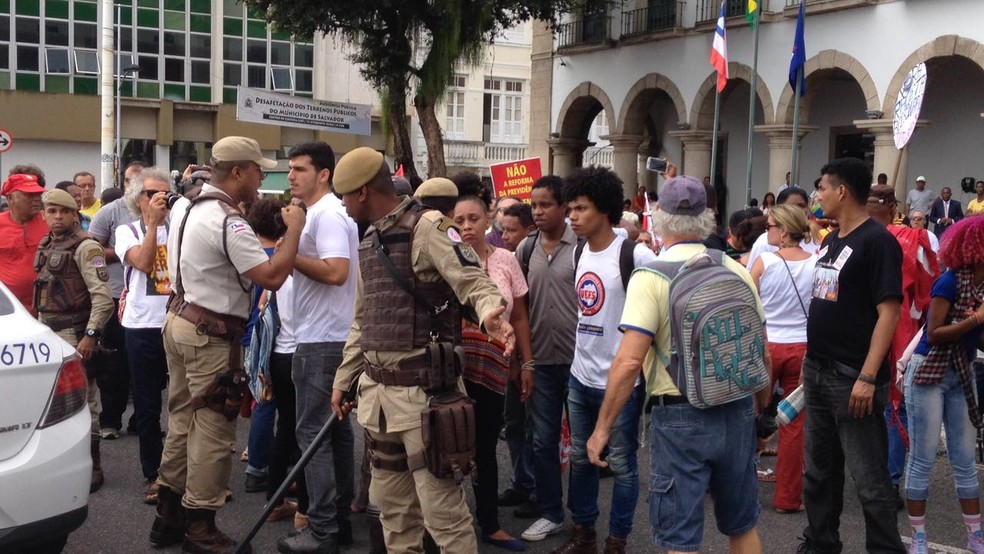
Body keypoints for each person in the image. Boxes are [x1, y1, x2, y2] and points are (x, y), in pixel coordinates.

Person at [329, 147, 515, 554]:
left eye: (344, 196)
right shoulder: (371, 239)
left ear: (362, 192)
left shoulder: (429, 226)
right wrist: (344, 380)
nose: (342, 205)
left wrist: (492, 315)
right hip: (377, 399)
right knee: (395, 517)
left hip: (425, 398)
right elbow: (363, 320)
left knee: (444, 517)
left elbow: (473, 280)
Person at [586, 175, 767, 553]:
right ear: (708, 217)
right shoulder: (734, 269)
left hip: (680, 415)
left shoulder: (651, 276)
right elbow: (760, 349)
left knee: (680, 536)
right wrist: (761, 412)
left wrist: (602, 428)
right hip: (735, 408)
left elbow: (630, 360)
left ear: (657, 216)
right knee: (742, 525)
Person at [150, 136, 304, 554]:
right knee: (214, 430)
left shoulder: (188, 206)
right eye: (258, 169)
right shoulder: (227, 220)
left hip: (181, 321)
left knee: (182, 419)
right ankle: (200, 525)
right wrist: (294, 230)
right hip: (210, 335)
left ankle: (168, 515)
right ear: (237, 172)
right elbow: (270, 276)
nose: (262, 177)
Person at [800, 158, 905, 554]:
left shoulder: (878, 241)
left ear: (842, 191)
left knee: (870, 480)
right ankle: (820, 542)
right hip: (817, 370)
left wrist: (867, 375)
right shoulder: (830, 240)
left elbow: (889, 312)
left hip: (851, 377)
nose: (818, 196)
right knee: (819, 474)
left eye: (823, 188)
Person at [559, 166, 656, 553]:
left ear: (603, 210)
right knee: (580, 460)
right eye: (571, 209)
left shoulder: (636, 254)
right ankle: (584, 534)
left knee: (623, 465)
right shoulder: (578, 251)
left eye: (580, 209)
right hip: (580, 377)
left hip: (622, 383)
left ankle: (618, 540)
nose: (572, 217)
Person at [278, 141, 358, 554]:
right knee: (335, 435)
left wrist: (288, 252)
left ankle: (324, 529)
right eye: (290, 169)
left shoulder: (326, 214)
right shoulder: (325, 213)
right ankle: (337, 523)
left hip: (322, 339)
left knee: (314, 435)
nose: (291, 175)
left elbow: (337, 272)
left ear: (323, 173)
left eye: (299, 169)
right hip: (330, 336)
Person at [453, 192, 534, 551]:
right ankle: (450, 526)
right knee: (449, 444)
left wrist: (525, 363)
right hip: (453, 369)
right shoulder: (446, 260)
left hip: (495, 368)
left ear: (488, 219)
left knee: (485, 446)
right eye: (459, 221)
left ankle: (489, 524)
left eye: (473, 218)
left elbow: (518, 316)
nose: (467, 226)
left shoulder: (505, 260)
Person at [901, 216, 984, 554]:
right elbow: (933, 334)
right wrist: (977, 318)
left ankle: (975, 537)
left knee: (964, 459)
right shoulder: (949, 282)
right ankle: (919, 538)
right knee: (922, 458)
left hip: (961, 370)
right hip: (929, 373)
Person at [34, 188, 114, 492]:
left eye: (63, 212)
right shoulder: (46, 244)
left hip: (74, 332)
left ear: (74, 214)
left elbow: (103, 298)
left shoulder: (86, 247)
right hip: (47, 329)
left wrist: (91, 334)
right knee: (50, 400)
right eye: (51, 211)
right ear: (43, 214)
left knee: (84, 401)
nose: (57, 217)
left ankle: (93, 467)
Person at [867, 184, 940, 510]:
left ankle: (892, 479)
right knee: (885, 406)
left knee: (892, 406)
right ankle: (886, 476)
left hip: (896, 331)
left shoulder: (912, 239)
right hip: (876, 329)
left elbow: (926, 291)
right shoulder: (863, 236)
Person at [518, 175, 580, 542]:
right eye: (534, 204)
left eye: (545, 205)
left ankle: (583, 517)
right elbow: (519, 306)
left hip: (579, 363)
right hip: (540, 360)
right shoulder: (526, 250)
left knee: (586, 445)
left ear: (563, 207)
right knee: (542, 441)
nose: (538, 212)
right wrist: (523, 361)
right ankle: (551, 512)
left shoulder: (583, 247)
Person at [749, 204, 817, 514]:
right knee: (793, 425)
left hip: (766, 346)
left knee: (748, 417)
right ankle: (788, 498)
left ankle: (740, 491)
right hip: (802, 347)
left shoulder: (764, 263)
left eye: (772, 224)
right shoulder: (817, 264)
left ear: (785, 231)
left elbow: (746, 306)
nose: (768, 230)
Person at [116, 167, 174, 504]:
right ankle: (154, 472)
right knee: (149, 404)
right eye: (152, 193)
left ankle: (187, 471)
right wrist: (153, 224)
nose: (160, 199)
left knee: (186, 403)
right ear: (138, 200)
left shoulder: (181, 227)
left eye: (165, 193)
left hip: (178, 324)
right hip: (142, 326)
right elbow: (143, 261)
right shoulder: (128, 231)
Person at [88, 160, 147, 440]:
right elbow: (91, 251)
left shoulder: (159, 211)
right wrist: (123, 252)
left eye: (139, 180)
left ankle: (141, 420)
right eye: (129, 180)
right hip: (114, 294)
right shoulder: (109, 212)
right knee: (114, 363)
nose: (134, 186)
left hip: (149, 299)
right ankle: (110, 421)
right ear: (123, 183)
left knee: (147, 367)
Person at [0, 172, 49, 313]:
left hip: (46, 308)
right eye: (29, 195)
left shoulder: (49, 222)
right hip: (8, 310)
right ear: (10, 198)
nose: (36, 200)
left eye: (38, 195)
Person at [745, 186, 814, 269]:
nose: (797, 210)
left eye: (801, 206)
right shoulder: (765, 242)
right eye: (791, 206)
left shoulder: (815, 239)